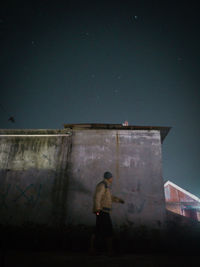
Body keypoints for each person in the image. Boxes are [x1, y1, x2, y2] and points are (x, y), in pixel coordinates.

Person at [90, 171, 125, 255]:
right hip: (102, 211)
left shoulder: (106, 187)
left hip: (103, 211)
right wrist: (97, 210)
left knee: (98, 231)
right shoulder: (102, 185)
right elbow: (97, 197)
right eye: (111, 177)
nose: (112, 179)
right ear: (108, 178)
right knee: (109, 231)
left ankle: (92, 249)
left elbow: (109, 198)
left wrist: (118, 200)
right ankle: (110, 251)